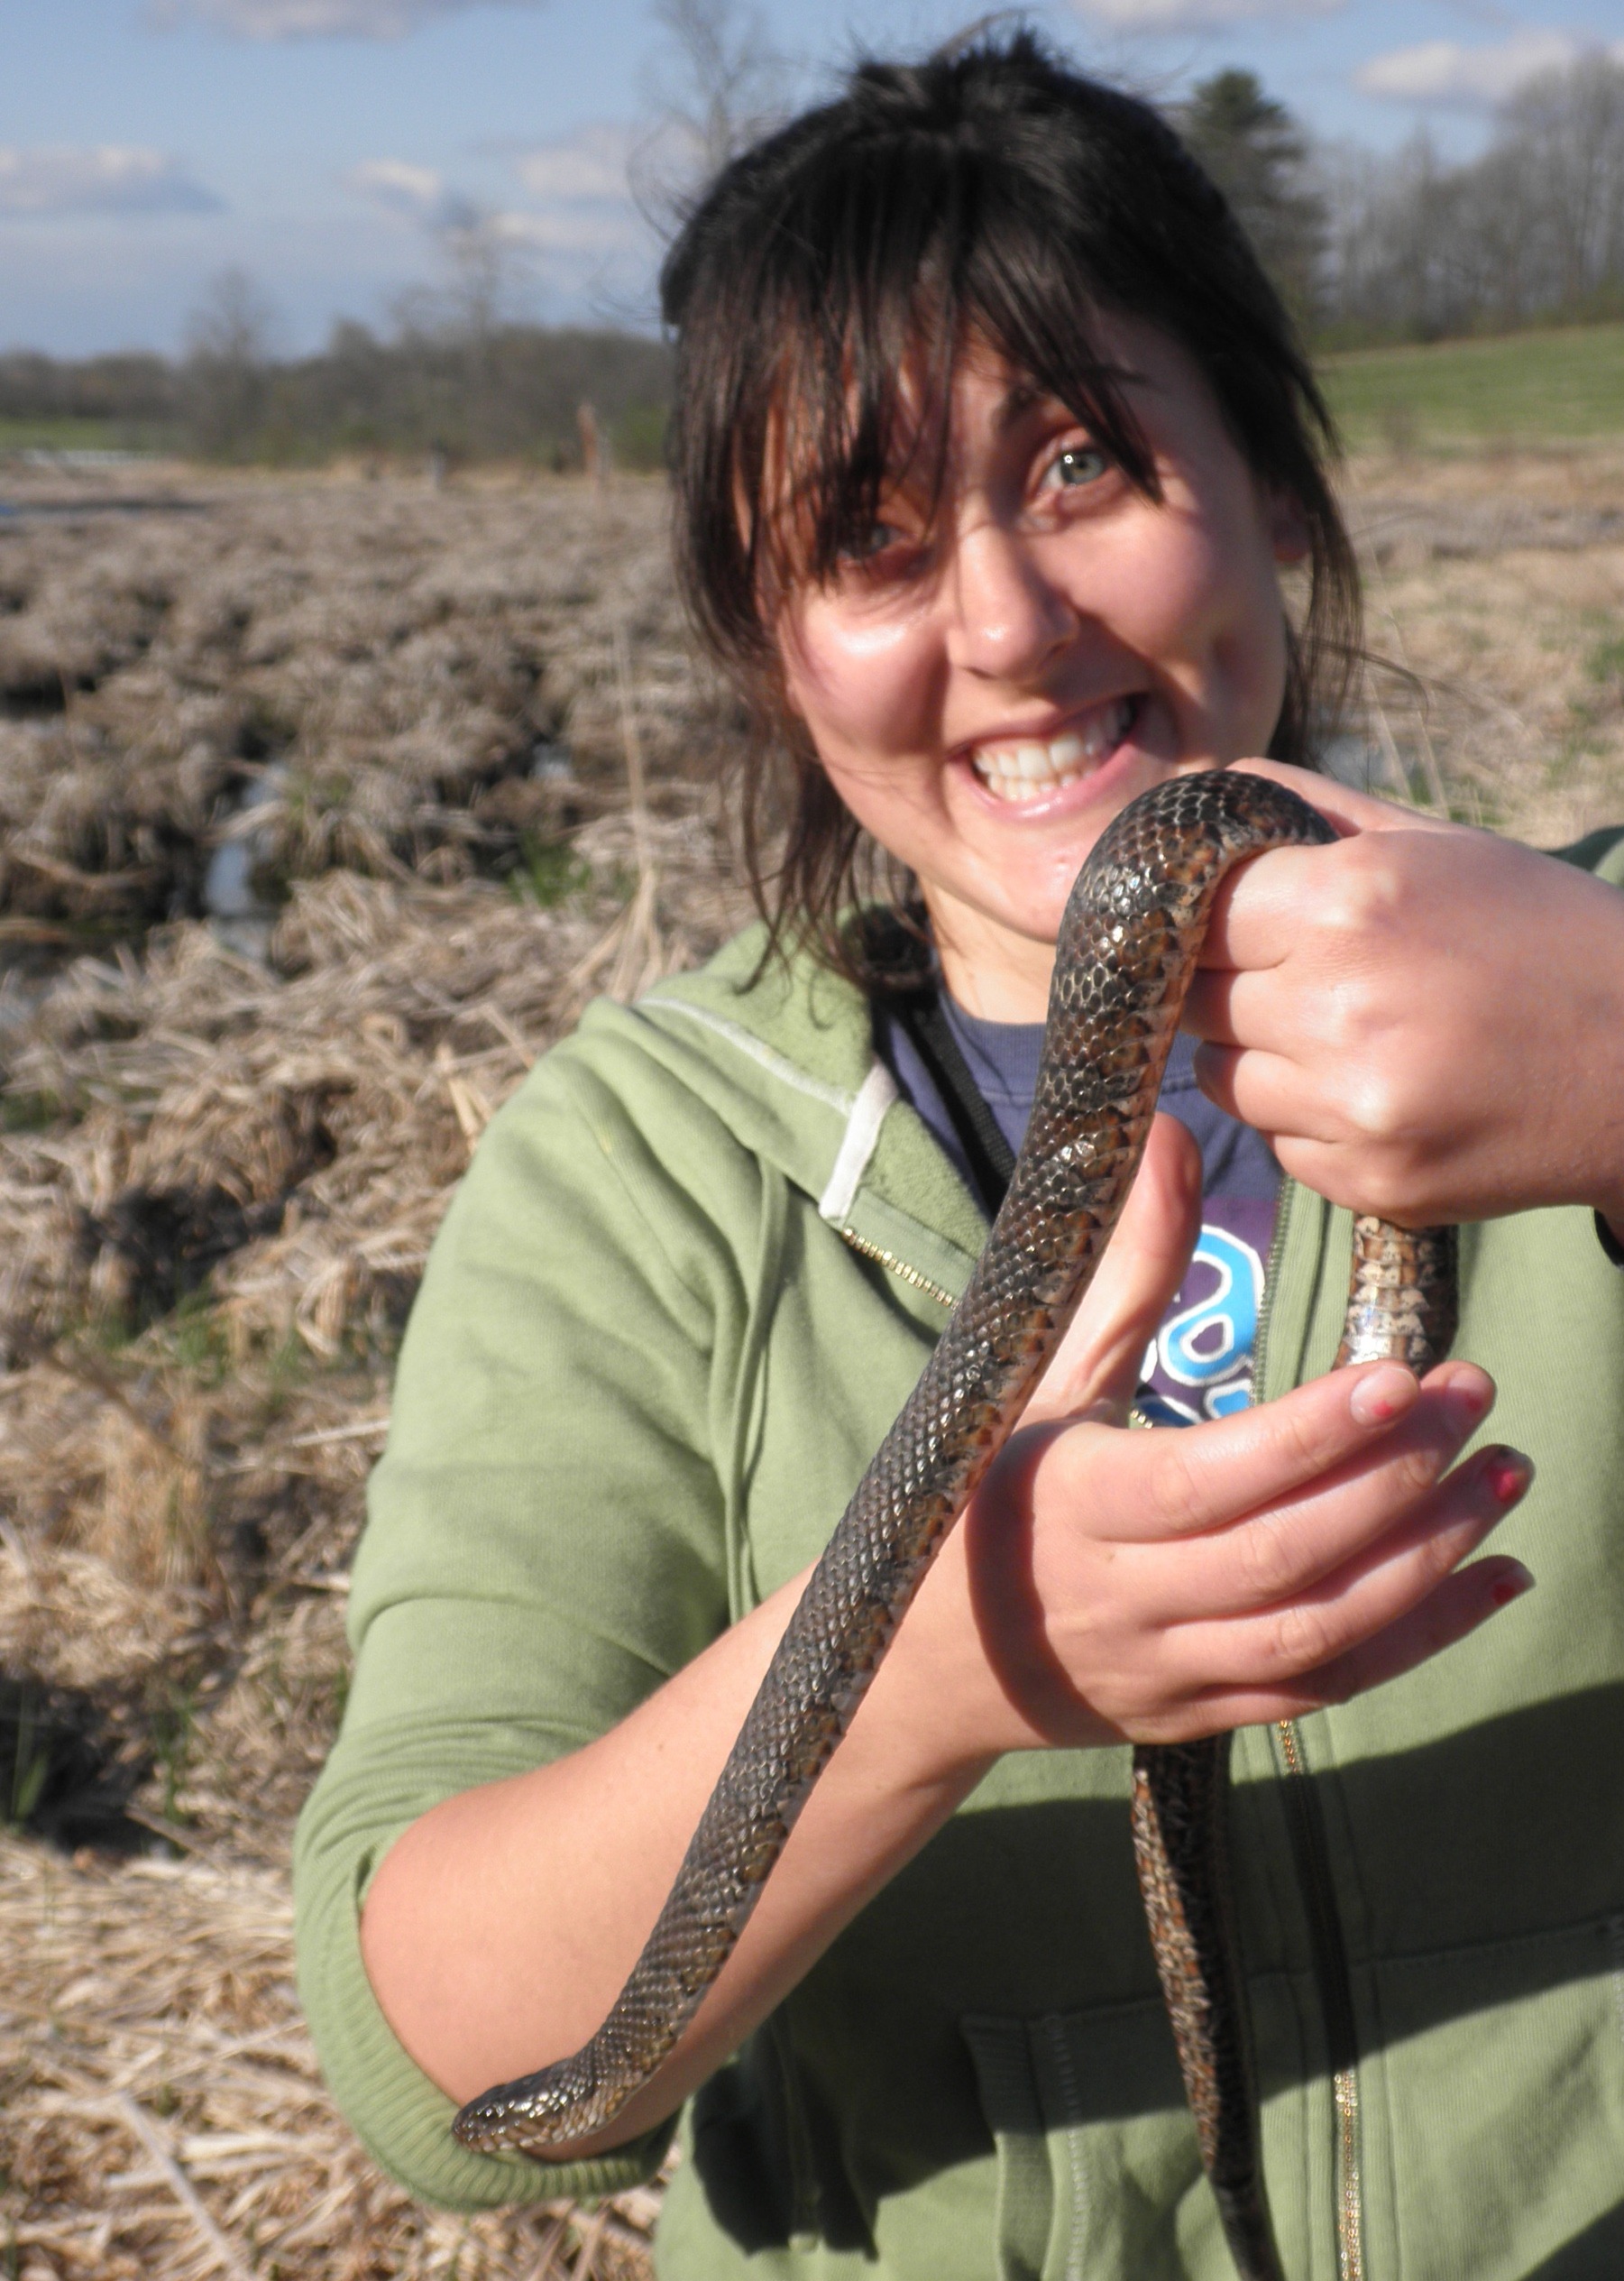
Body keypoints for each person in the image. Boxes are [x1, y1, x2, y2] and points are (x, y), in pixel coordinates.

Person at [293, 33, 1624, 2280]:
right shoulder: (637, 1172)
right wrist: (939, 1659)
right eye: (866, 537)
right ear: (768, 650)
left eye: (1085, 459)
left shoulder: (1594, 961)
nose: (1005, 623)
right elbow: (454, 2086)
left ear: (1270, 489)